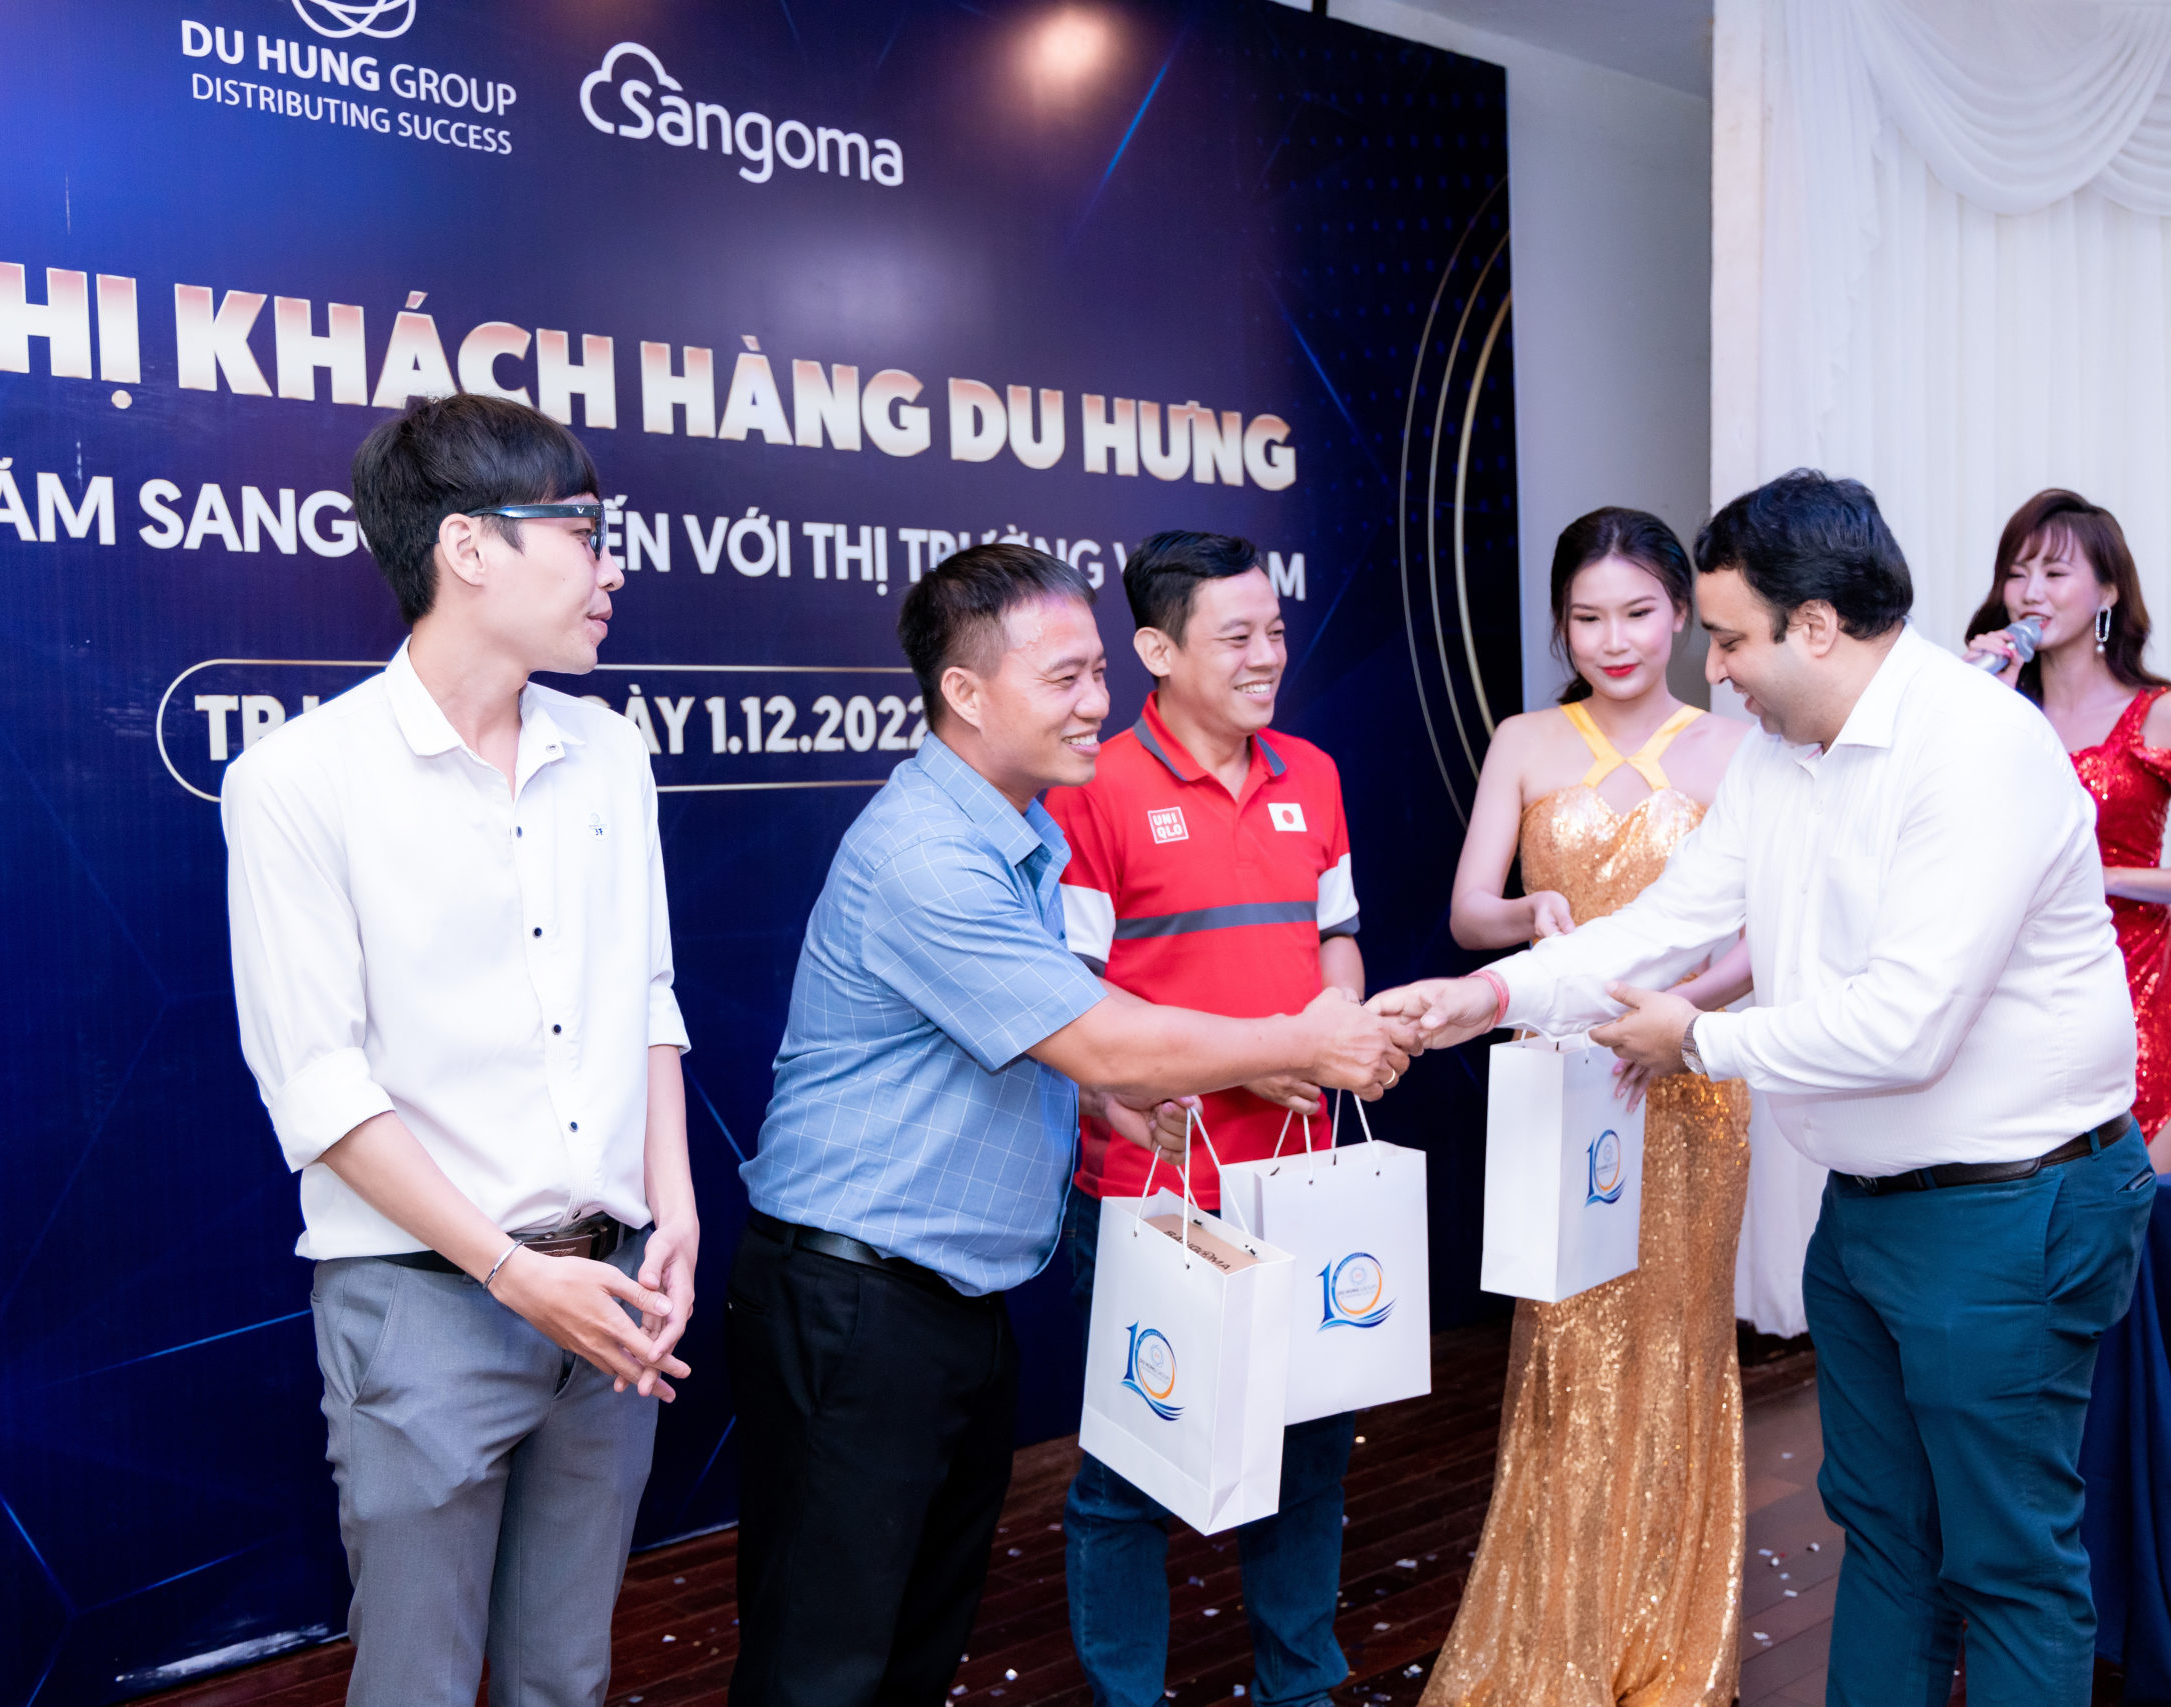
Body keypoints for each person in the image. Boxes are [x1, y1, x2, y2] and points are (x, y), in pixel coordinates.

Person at [1371, 471, 2152, 1707]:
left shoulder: (1977, 747)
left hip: (2013, 1209)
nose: (1716, 668)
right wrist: (1489, 996)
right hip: (1869, 1208)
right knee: (1884, 1538)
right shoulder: (1782, 759)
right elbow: (1670, 922)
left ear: (1817, 626)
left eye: (1731, 638)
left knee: (2006, 1564)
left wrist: (1694, 1041)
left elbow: (1906, 1028)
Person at [727, 542, 1415, 1707]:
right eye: (1065, 678)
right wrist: (1296, 1042)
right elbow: (1098, 1034)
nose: (1097, 701)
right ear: (965, 691)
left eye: (1097, 671)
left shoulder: (1019, 834)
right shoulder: (930, 857)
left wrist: (1097, 1093)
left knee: (910, 1644)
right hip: (859, 1306)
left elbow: (1035, 1034)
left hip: (944, 1297)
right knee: (823, 1664)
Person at [222, 394, 697, 1707]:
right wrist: (508, 1269)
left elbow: (646, 992)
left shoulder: (609, 750)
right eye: (585, 532)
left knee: (566, 1676)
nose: (612, 568)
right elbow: (319, 1088)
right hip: (424, 1303)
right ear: (469, 546)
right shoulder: (300, 778)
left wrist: (672, 1207)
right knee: (418, 1685)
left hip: (610, 1296)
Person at [1420, 507, 1752, 1707]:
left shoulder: (1736, 749)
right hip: (1562, 1082)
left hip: (1686, 1084)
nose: (1614, 640)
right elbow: (1470, 912)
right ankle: (1554, 1642)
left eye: (1637, 613)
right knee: (1562, 1349)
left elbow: (1760, 936)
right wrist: (1529, 917)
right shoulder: (1522, 740)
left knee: (1676, 1347)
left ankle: (1665, 1641)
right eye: (1587, 617)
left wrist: (1679, 1023)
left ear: (1682, 615)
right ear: (1560, 626)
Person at [1047, 531, 1368, 1707]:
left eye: (1274, 631)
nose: (1267, 656)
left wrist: (1333, 1018)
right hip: (1155, 1192)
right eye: (1236, 637)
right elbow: (1073, 1001)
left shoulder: (1313, 774)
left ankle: (1300, 1686)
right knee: (1131, 1475)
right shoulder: (1091, 789)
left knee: (1309, 1455)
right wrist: (1271, 1050)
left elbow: (1336, 938)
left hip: (1299, 1177)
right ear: (1155, 650)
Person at [1966, 489, 2171, 1173]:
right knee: (2024, 1200)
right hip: (2013, 984)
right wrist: (1977, 705)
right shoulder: (1991, 709)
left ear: (2109, 592)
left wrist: (2104, 876)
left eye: (2055, 572)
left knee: (2139, 1202)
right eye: (2017, 573)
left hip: (2131, 985)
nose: (2031, 592)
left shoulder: (2166, 713)